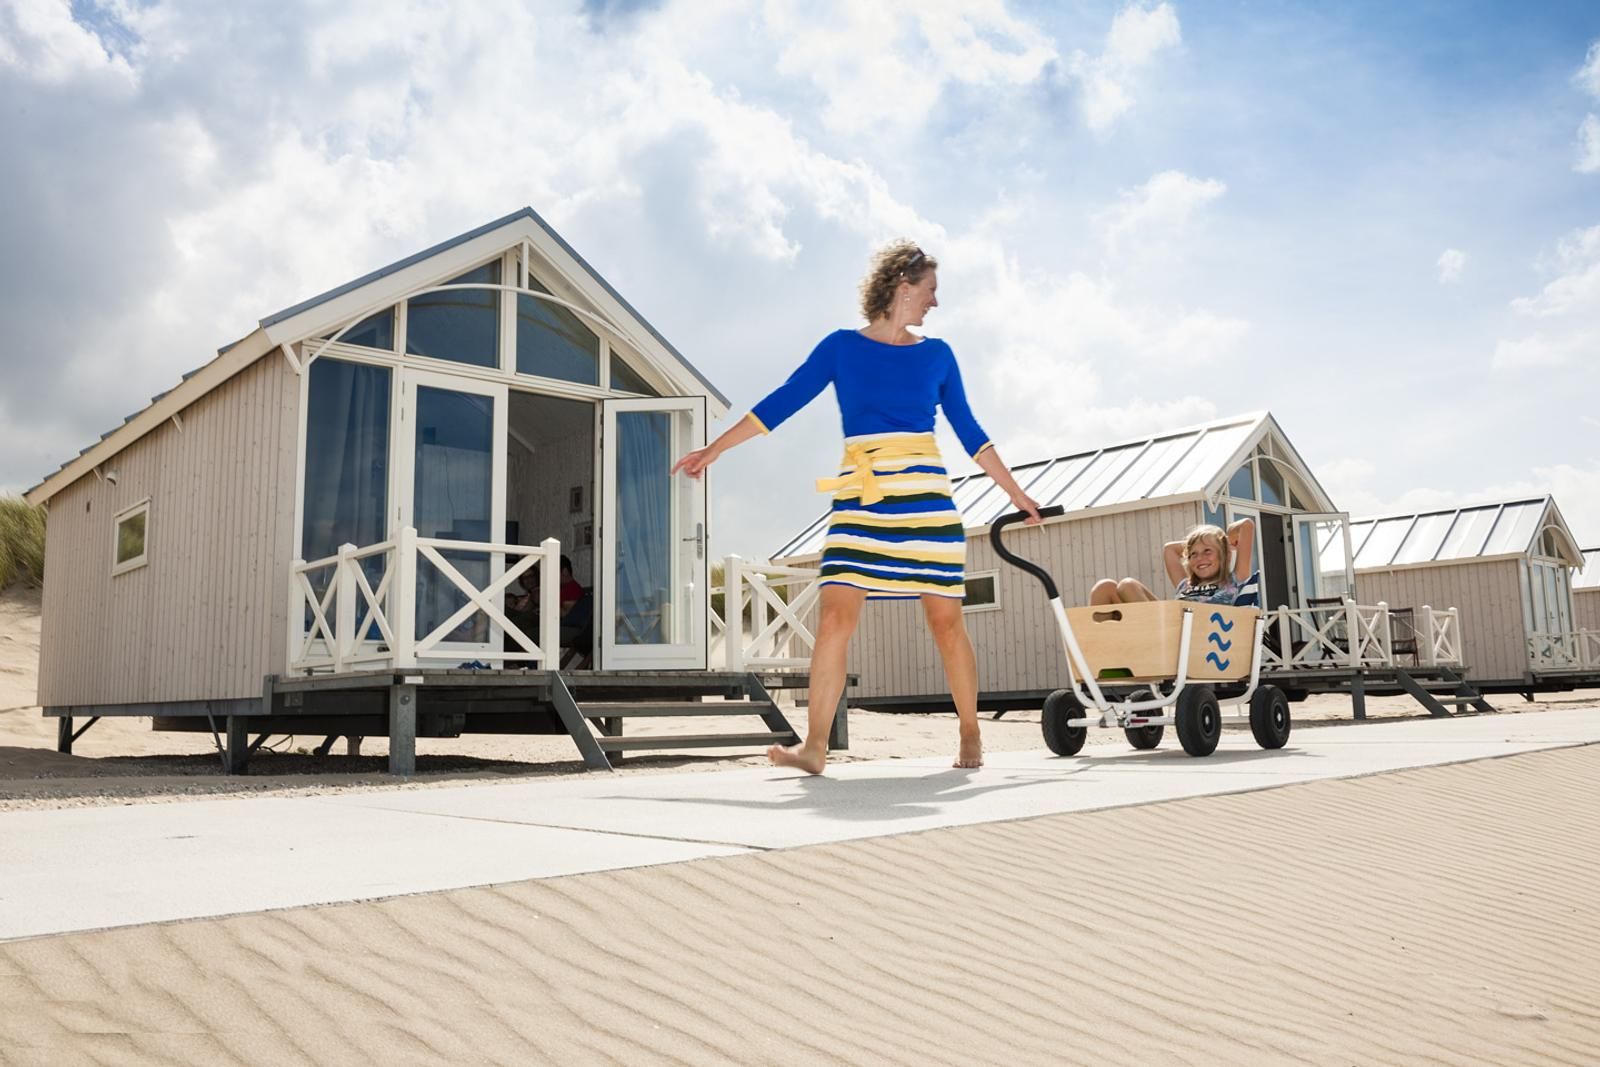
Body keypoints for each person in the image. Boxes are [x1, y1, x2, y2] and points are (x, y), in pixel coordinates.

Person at [671, 241, 1041, 773]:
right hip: (861, 497)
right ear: (902, 285)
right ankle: (815, 746)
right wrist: (715, 449)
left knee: (946, 623)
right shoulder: (841, 347)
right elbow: (785, 398)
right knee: (835, 616)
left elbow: (969, 430)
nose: (936, 302)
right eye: (931, 290)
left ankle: (969, 731)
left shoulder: (937, 355)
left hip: (925, 502)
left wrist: (1015, 493)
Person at [1087, 518, 1256, 606]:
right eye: (1193, 554)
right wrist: (1205, 543)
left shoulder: (1234, 580)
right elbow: (1169, 549)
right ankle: (1095, 659)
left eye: (1207, 551)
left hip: (1191, 640)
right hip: (1168, 627)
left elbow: (1247, 525)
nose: (1200, 558)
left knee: (1125, 584)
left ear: (1223, 554)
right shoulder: (1185, 585)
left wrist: (1224, 539)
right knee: (1107, 587)